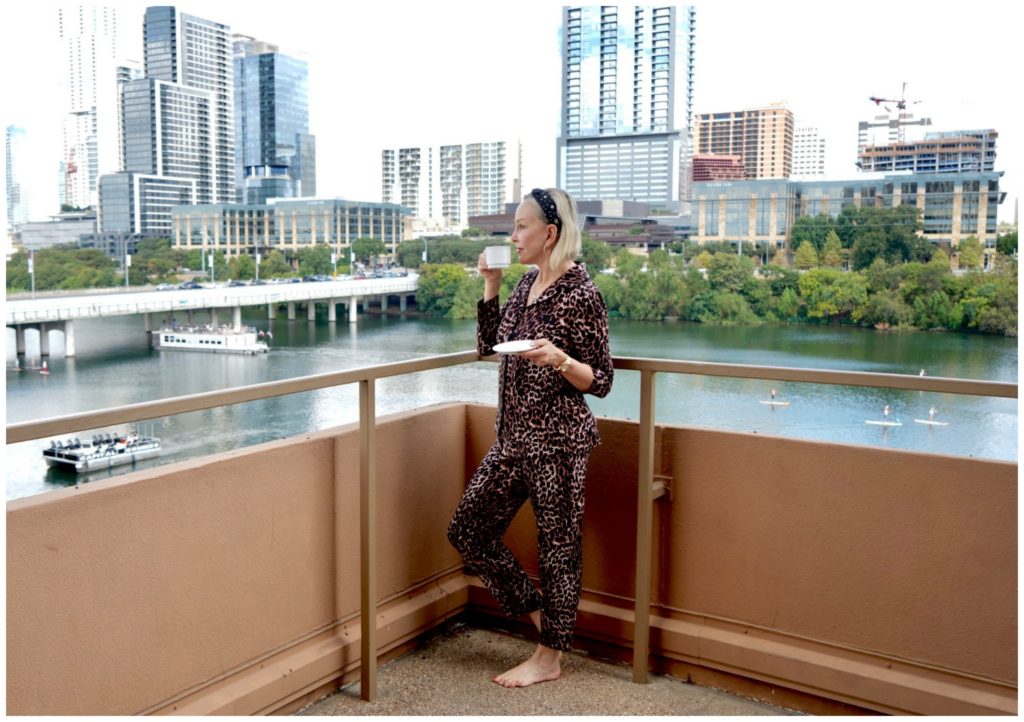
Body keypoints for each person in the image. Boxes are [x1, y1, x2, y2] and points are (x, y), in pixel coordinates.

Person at [447, 187, 613, 688]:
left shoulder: (581, 292)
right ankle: (546, 622)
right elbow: (489, 346)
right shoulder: (525, 285)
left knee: (558, 548)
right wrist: (491, 286)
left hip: (558, 442)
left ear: (551, 233)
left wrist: (559, 359)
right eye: (513, 227)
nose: (513, 235)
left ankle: (549, 658)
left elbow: (601, 380)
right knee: (468, 531)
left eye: (521, 226)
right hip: (513, 440)